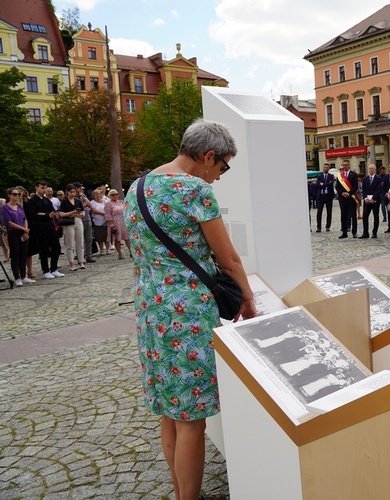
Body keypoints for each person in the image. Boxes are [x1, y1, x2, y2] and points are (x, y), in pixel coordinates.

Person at [123, 118, 256, 500]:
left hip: (151, 308)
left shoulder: (138, 186)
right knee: (192, 420)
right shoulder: (193, 188)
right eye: (222, 166)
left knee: (171, 411)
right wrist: (247, 297)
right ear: (208, 155)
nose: (220, 176)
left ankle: (182, 493)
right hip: (187, 313)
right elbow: (227, 257)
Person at [26, 180, 64, 279]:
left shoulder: (46, 200)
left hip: (50, 226)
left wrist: (46, 214)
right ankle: (45, 270)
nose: (44, 190)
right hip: (39, 227)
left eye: (45, 188)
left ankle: (54, 268)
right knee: (44, 249)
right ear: (36, 187)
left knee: (56, 247)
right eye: (42, 188)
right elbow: (34, 215)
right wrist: (46, 215)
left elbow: (52, 211)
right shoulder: (32, 201)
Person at [1, 187, 33, 287]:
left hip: (23, 231)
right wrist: (23, 229)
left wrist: (26, 229)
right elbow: (9, 222)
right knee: (15, 256)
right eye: (14, 194)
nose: (17, 196)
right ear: (9, 195)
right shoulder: (5, 208)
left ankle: (23, 276)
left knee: (23, 255)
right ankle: (17, 277)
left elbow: (25, 218)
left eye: (18, 194)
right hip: (13, 232)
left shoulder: (19, 206)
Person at [59, 184, 86, 271]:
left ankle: (81, 261)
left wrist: (81, 214)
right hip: (69, 222)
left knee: (80, 242)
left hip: (78, 221)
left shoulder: (78, 200)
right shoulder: (64, 201)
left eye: (74, 192)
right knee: (70, 244)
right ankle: (71, 263)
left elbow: (83, 212)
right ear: (67, 192)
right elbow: (61, 214)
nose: (73, 194)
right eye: (71, 192)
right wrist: (72, 212)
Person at [104, 190, 132, 260]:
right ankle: (120, 253)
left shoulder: (121, 202)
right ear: (110, 196)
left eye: (116, 194)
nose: (115, 196)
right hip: (115, 222)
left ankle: (131, 252)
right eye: (113, 195)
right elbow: (107, 215)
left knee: (127, 237)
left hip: (123, 221)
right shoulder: (108, 204)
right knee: (117, 239)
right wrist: (111, 224)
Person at [335, 159, 358, 239]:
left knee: (353, 215)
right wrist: (342, 193)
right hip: (342, 198)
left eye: (346, 165)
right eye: (343, 165)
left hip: (351, 198)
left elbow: (355, 186)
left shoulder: (354, 174)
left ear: (349, 165)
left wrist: (348, 193)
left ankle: (354, 232)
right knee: (343, 215)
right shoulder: (340, 175)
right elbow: (337, 187)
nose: (344, 167)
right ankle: (344, 232)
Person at [74, 182, 96, 263]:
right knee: (80, 239)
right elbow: (77, 208)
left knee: (89, 238)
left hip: (87, 218)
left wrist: (84, 199)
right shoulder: (74, 198)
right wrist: (84, 204)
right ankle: (80, 256)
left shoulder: (83, 196)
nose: (81, 190)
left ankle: (89, 255)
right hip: (79, 220)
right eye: (80, 188)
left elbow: (90, 205)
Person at [359, 164, 383, 239]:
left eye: (372, 169)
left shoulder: (378, 178)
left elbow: (379, 189)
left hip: (375, 201)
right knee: (365, 216)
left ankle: (374, 232)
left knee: (376, 216)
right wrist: (365, 198)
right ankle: (365, 233)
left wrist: (373, 198)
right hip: (367, 201)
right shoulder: (365, 179)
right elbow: (364, 189)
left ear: (375, 170)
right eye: (369, 169)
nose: (371, 170)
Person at [315, 163, 335, 232]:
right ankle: (319, 227)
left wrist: (323, 184)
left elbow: (331, 184)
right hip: (321, 196)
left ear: (328, 168)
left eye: (327, 167)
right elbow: (318, 185)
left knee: (329, 212)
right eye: (324, 167)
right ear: (323, 168)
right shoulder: (319, 176)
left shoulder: (331, 176)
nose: (325, 168)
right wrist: (326, 184)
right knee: (319, 212)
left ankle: (328, 226)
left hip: (328, 196)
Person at [89, 189, 109, 256]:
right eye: (96, 194)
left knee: (106, 236)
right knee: (99, 237)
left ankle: (107, 249)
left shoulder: (105, 201)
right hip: (97, 222)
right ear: (93, 196)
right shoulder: (92, 202)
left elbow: (108, 209)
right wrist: (103, 213)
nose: (98, 195)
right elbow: (93, 211)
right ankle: (101, 249)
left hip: (106, 221)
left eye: (99, 194)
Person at [382, 163, 390, 233]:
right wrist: (386, 194)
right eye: (389, 167)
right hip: (388, 197)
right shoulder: (386, 177)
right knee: (389, 212)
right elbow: (383, 187)